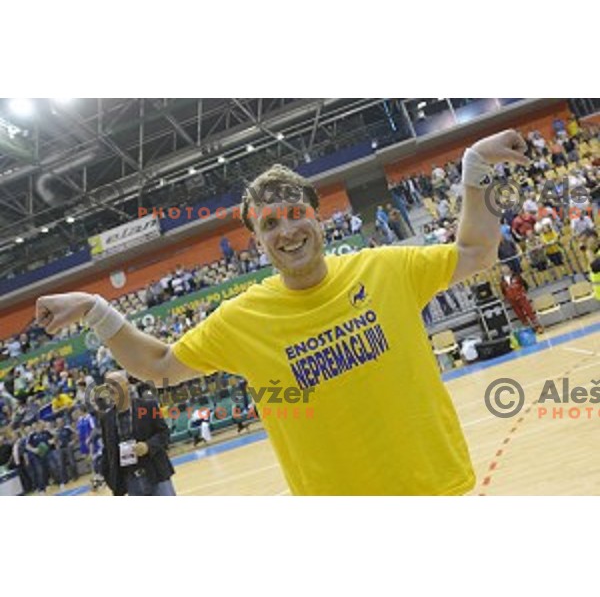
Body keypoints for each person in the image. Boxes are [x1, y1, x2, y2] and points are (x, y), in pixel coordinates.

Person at [36, 130, 530, 496]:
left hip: (436, 490)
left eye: (296, 213)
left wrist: (476, 165)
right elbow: (159, 368)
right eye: (271, 223)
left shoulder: (384, 268)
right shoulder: (242, 318)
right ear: (257, 242)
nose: (287, 230)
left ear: (317, 217)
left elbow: (477, 253)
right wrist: (94, 308)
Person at [96, 370, 176, 496]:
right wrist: (109, 479)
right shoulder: (106, 419)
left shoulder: (148, 406)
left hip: (156, 474)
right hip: (130, 481)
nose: (111, 388)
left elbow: (164, 433)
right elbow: (108, 451)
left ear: (127, 386)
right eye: (107, 386)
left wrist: (148, 446)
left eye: (114, 384)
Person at [499, 264, 543, 333]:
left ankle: (538, 327)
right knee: (521, 316)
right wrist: (508, 298)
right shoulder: (502, 282)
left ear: (509, 269)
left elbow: (524, 284)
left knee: (529, 312)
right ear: (501, 271)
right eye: (503, 269)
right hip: (513, 301)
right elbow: (503, 292)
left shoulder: (516, 276)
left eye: (506, 268)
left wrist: (523, 292)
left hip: (521, 298)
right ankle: (530, 330)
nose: (505, 270)